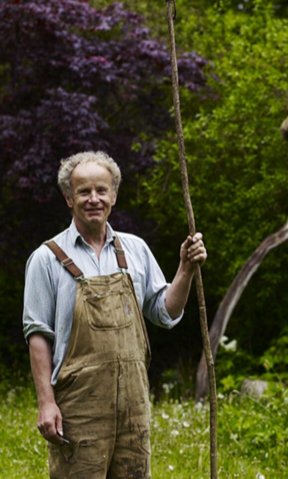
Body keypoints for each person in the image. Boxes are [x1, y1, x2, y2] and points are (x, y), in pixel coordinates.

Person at [22, 151, 207, 479]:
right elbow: (37, 335)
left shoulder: (135, 249)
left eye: (101, 190)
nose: (94, 199)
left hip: (133, 408)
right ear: (69, 198)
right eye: (83, 191)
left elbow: (166, 312)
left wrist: (186, 268)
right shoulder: (46, 259)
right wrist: (46, 403)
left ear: (114, 195)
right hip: (78, 409)